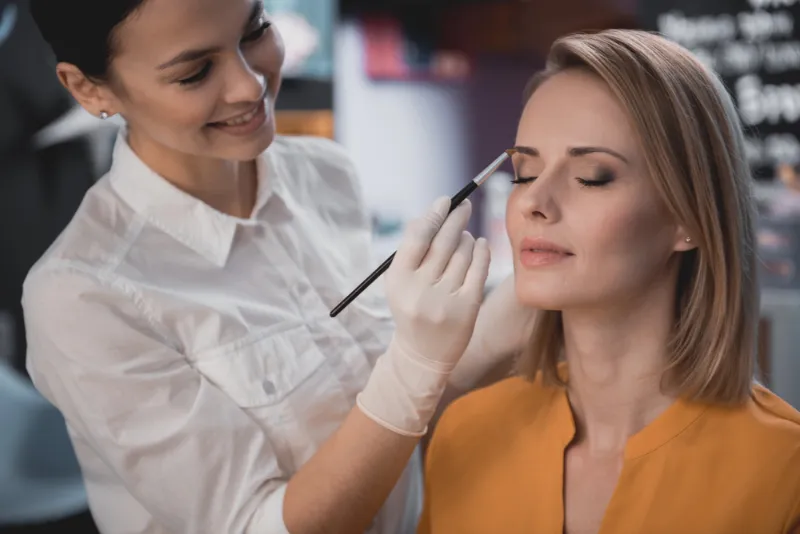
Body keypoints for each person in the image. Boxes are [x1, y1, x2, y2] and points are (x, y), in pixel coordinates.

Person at [21, 1, 535, 533]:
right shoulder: (82, 296)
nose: (249, 87)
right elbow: (257, 526)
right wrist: (416, 363)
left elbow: (400, 422)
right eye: (195, 73)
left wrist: (523, 299)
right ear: (88, 89)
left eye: (255, 31)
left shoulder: (323, 173)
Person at [418, 29, 800, 534]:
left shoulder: (783, 470)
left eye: (593, 176)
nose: (534, 202)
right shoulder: (464, 436)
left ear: (688, 218)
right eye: (525, 172)